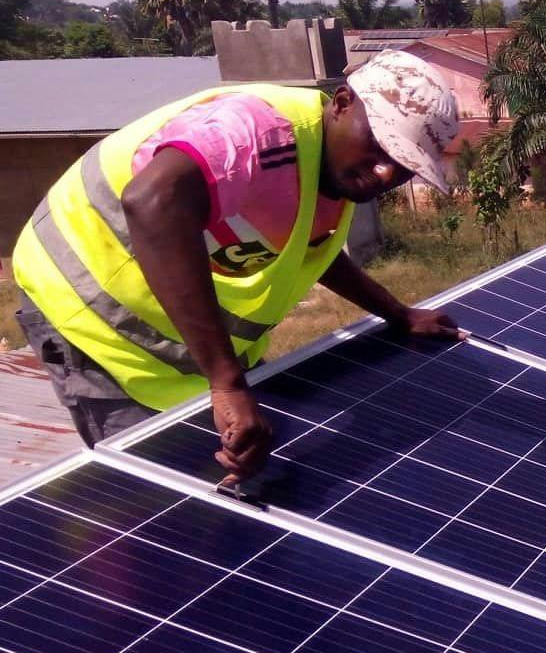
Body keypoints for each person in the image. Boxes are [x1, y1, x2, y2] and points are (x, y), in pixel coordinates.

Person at [9, 50, 465, 474]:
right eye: (381, 147)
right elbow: (153, 201)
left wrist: (398, 314)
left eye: (405, 166)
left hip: (173, 344)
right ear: (342, 103)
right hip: (85, 309)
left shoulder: (334, 173)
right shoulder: (253, 131)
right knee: (162, 490)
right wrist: (226, 383)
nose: (387, 173)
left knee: (239, 467)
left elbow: (311, 253)